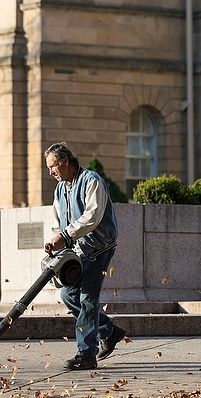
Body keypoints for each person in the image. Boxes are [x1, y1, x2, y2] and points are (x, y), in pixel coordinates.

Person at [44, 142, 126, 370]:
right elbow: (56, 222)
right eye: (49, 168)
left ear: (65, 162)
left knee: (87, 298)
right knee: (68, 295)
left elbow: (92, 217)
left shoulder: (92, 181)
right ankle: (108, 332)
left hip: (100, 247)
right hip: (78, 250)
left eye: (52, 166)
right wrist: (56, 243)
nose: (50, 172)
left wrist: (65, 236)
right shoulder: (60, 189)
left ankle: (86, 355)